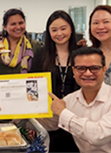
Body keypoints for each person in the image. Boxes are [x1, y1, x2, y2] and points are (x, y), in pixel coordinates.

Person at [30, 10, 80, 152]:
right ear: (48, 32)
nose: (59, 33)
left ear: (71, 29)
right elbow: (31, 85)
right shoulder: (41, 54)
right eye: (54, 30)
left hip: (77, 116)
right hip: (49, 118)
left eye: (63, 28)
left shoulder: (81, 53)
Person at [0, 8, 42, 123]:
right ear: (5, 27)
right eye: (13, 24)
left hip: (25, 104)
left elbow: (38, 76)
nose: (18, 27)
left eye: (21, 23)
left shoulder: (35, 46)